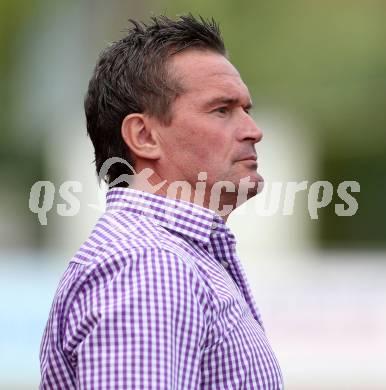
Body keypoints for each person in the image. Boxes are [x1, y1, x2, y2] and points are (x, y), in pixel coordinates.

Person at [40, 14, 283, 389]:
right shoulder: (149, 264)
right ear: (143, 135)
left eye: (246, 110)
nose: (253, 130)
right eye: (222, 110)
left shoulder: (168, 257)